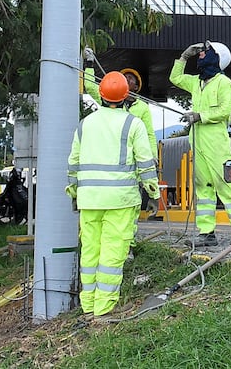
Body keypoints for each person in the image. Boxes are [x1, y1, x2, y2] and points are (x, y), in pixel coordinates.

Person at [67, 71, 161, 319]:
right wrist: (152, 193)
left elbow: (73, 163)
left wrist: (74, 192)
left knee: (90, 251)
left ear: (101, 94)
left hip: (89, 199)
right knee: (112, 251)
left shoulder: (85, 124)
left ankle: (88, 305)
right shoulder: (133, 124)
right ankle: (105, 307)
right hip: (120, 200)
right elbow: (145, 163)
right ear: (126, 96)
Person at [170, 40, 231, 246]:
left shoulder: (225, 84)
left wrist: (200, 116)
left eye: (206, 52)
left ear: (218, 58)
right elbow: (175, 77)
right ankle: (206, 233)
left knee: (226, 184)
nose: (201, 54)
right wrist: (183, 57)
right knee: (203, 188)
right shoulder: (197, 82)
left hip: (217, 143)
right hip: (197, 142)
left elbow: (224, 110)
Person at [82, 50, 157, 219]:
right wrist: (89, 64)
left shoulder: (142, 108)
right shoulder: (108, 101)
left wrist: (153, 156)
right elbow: (90, 86)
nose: (127, 79)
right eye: (125, 77)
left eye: (131, 78)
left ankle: (130, 239)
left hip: (132, 164)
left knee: (132, 202)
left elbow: (149, 134)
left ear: (137, 87)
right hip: (111, 162)